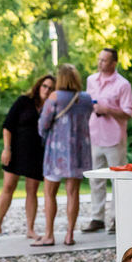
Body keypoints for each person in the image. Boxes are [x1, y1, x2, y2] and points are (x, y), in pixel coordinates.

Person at [0, 74, 55, 242]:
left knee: (31, 191)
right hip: (16, 151)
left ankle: (30, 229)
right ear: (39, 86)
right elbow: (7, 126)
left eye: (51, 88)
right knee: (8, 187)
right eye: (45, 86)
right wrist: (6, 149)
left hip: (37, 154)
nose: (47, 90)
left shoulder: (52, 106)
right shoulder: (23, 101)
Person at [33, 63, 93, 247]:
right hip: (78, 151)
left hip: (56, 151)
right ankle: (69, 235)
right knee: (73, 193)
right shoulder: (86, 99)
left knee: (50, 193)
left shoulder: (55, 97)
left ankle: (49, 235)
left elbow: (43, 125)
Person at [83, 47, 132, 235]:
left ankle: (116, 220)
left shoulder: (123, 84)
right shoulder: (91, 80)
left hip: (114, 138)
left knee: (118, 181)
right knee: (96, 180)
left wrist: (108, 109)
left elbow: (129, 112)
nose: (100, 63)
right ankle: (97, 218)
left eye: (105, 60)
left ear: (114, 63)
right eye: (99, 59)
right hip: (95, 135)